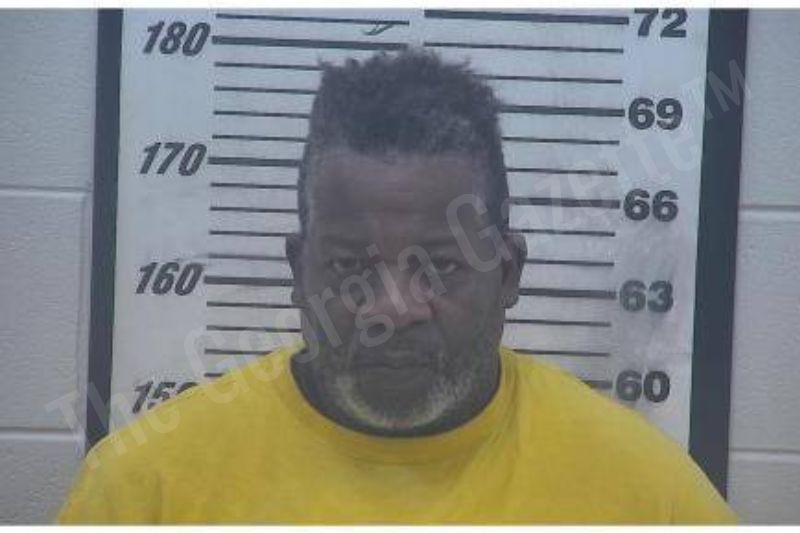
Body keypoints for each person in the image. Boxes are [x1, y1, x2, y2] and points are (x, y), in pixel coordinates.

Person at [57, 49, 736, 524]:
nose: (393, 307)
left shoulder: (652, 499)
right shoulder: (142, 493)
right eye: (351, 268)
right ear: (298, 273)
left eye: (439, 267)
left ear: (508, 273)